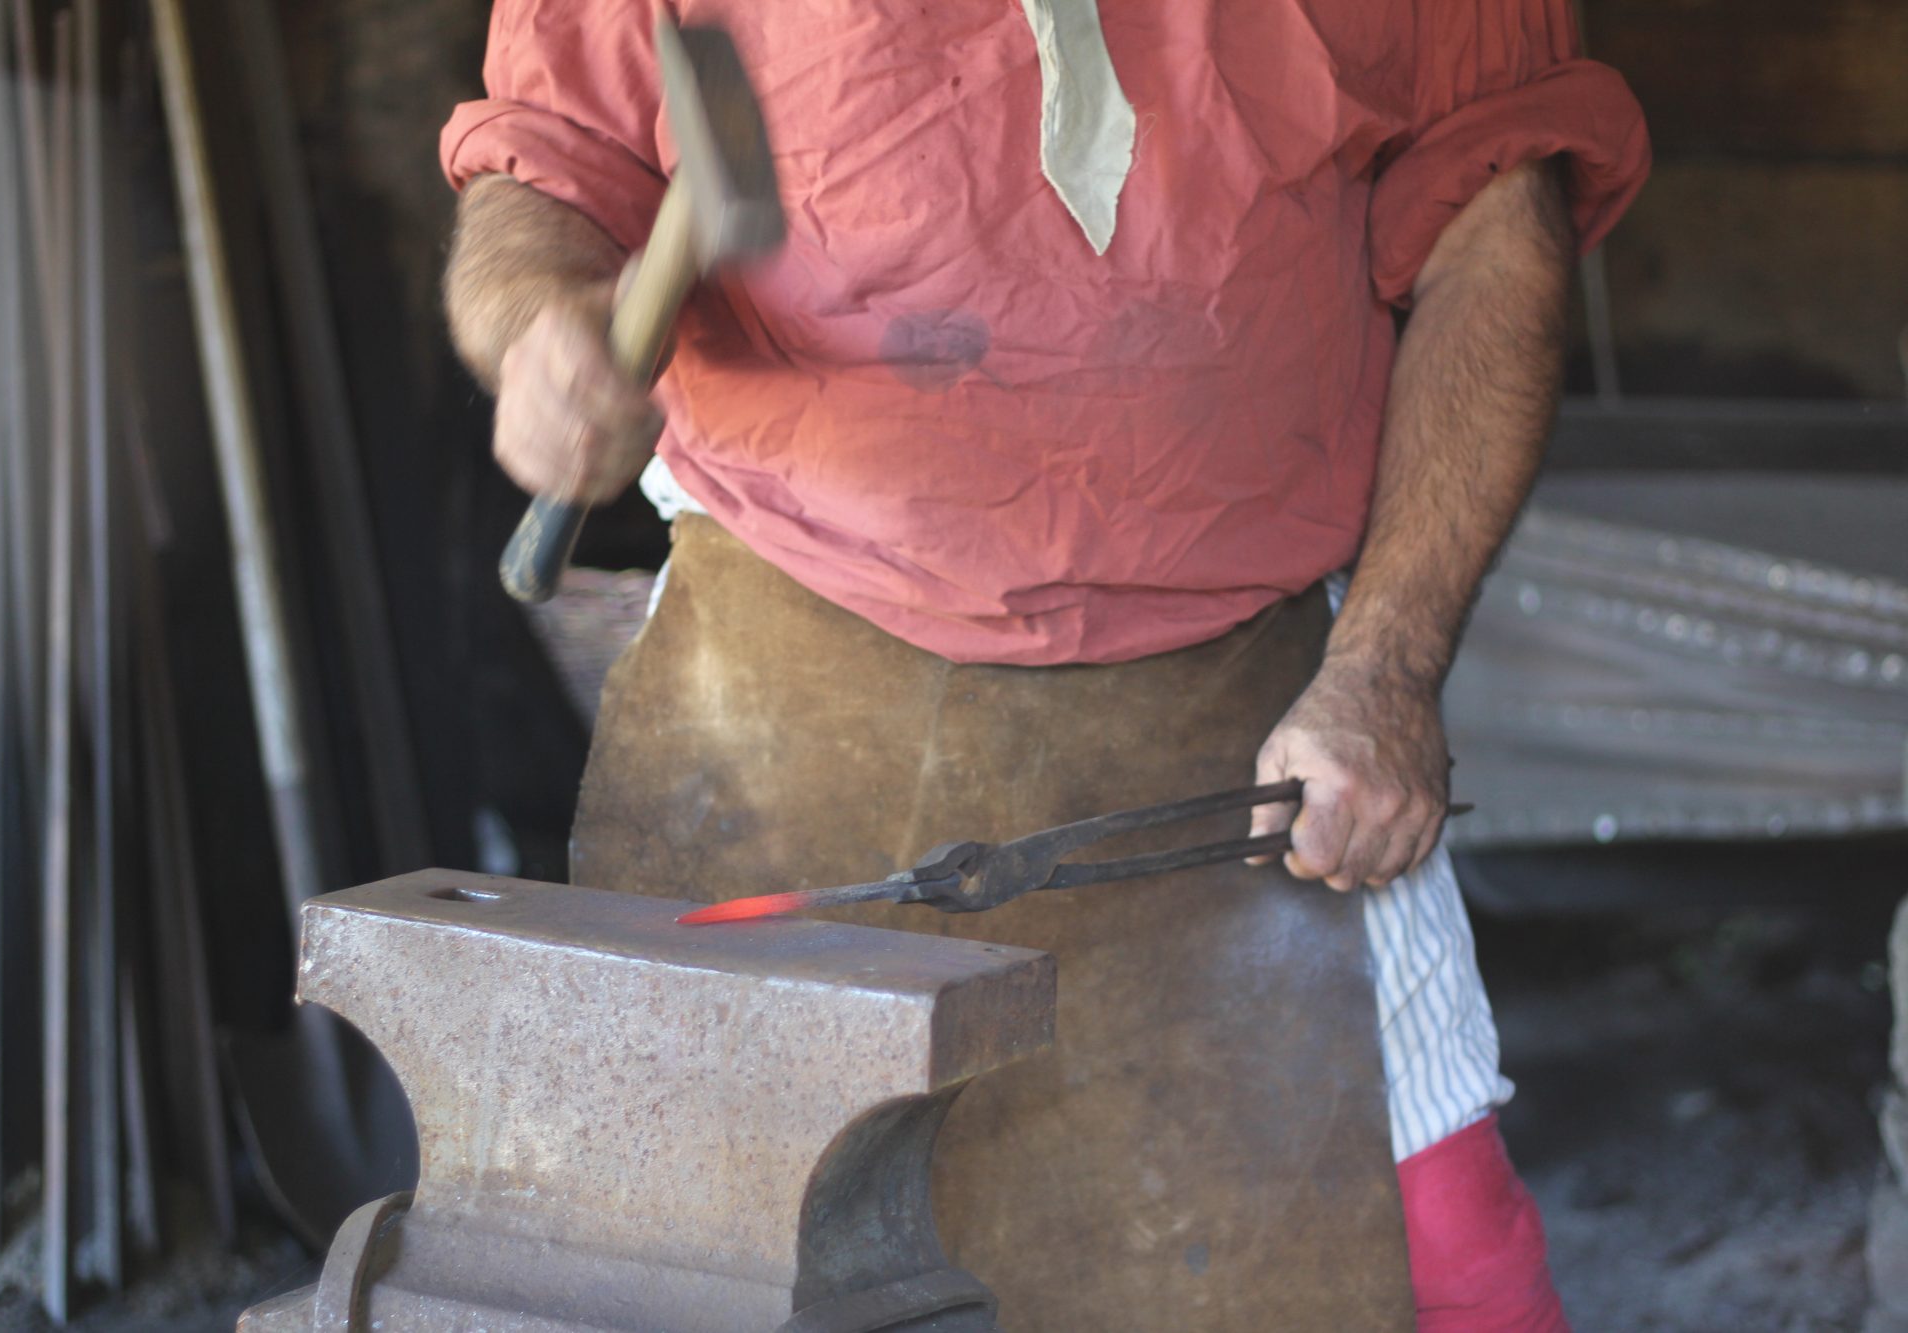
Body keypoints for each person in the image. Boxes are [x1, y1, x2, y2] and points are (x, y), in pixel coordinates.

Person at [439, 3, 1649, 1328]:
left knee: (1446, 1252)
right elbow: (544, 172)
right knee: (714, 1261)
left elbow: (1496, 224)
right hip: (786, 667)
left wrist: (1389, 668)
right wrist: (536, 323)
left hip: (1258, 699)